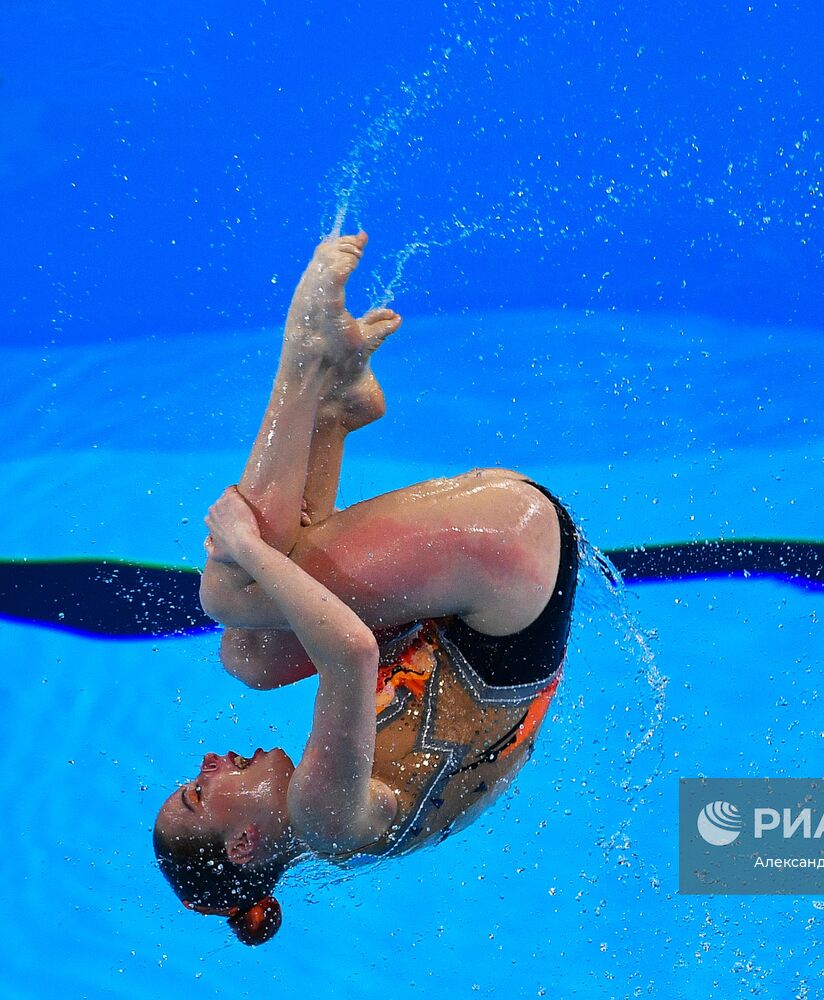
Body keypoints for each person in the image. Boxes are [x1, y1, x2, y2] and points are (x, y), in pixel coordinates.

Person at [153, 233, 579, 945]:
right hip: (505, 556)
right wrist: (247, 546)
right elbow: (348, 650)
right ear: (244, 845)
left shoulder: (339, 830)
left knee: (250, 656)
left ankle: (335, 409)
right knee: (229, 592)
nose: (207, 764)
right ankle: (307, 357)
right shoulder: (321, 816)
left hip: (509, 594)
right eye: (200, 793)